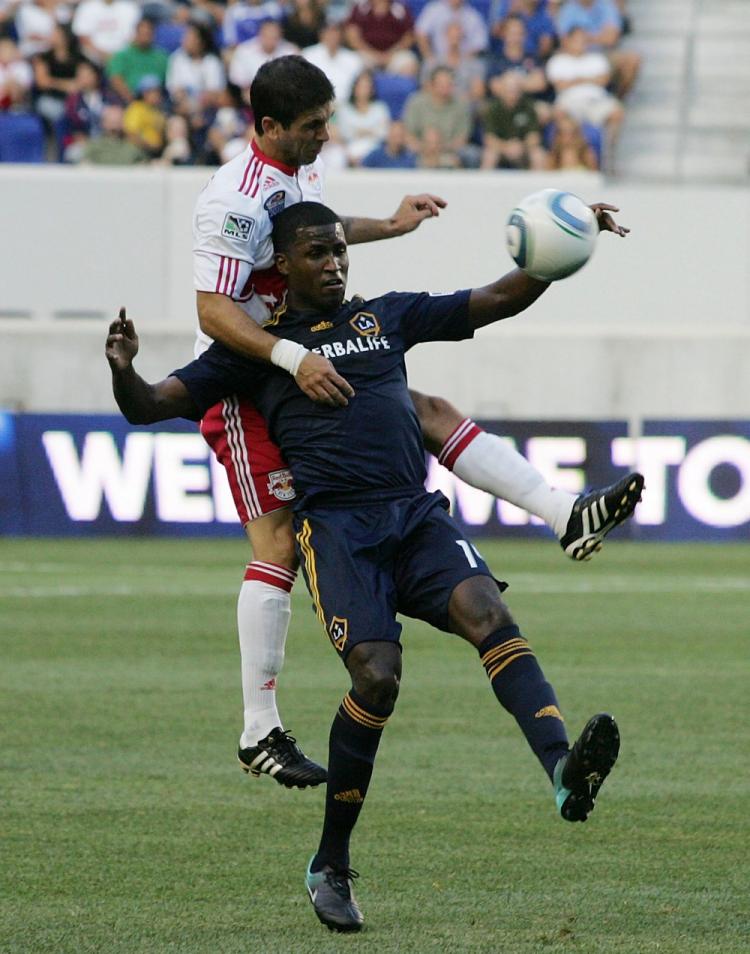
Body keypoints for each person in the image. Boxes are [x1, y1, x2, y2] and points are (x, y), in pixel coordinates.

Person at [106, 200, 641, 933]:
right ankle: (331, 863)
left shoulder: (384, 316)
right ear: (282, 266)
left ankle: (562, 769)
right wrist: (124, 371)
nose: (334, 263)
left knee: (492, 617)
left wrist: (561, 251)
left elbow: (493, 301)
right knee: (377, 678)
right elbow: (152, 405)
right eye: (317, 254)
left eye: (339, 251)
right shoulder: (254, 351)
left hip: (415, 514)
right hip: (338, 533)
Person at [184, 54, 638, 795]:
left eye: (327, 120)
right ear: (267, 127)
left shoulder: (294, 170)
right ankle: (258, 730)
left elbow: (310, 232)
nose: (326, 135)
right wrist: (291, 359)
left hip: (305, 357)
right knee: (275, 545)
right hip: (251, 378)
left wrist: (390, 227)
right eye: (312, 126)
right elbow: (212, 310)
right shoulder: (229, 201)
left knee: (421, 411)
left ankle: (565, 512)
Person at [106, 17, 168, 103]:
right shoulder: (122, 56)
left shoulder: (162, 56)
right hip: (129, 101)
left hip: (158, 101)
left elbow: (168, 81)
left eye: (148, 34)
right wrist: (132, 99)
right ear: (136, 33)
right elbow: (116, 79)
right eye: (142, 33)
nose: (145, 36)